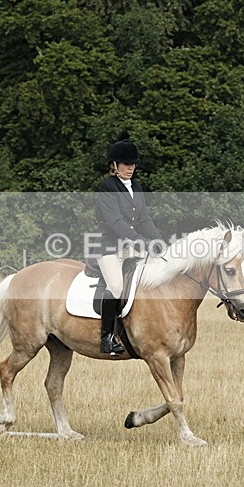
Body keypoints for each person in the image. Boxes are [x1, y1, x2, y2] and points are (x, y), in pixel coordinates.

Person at [95, 136, 162, 355]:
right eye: (126, 164)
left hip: (132, 246)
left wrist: (158, 241)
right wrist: (140, 241)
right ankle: (106, 337)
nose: (130, 168)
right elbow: (116, 222)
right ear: (114, 166)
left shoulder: (136, 186)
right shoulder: (107, 188)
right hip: (109, 248)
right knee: (115, 286)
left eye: (133, 164)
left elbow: (144, 219)